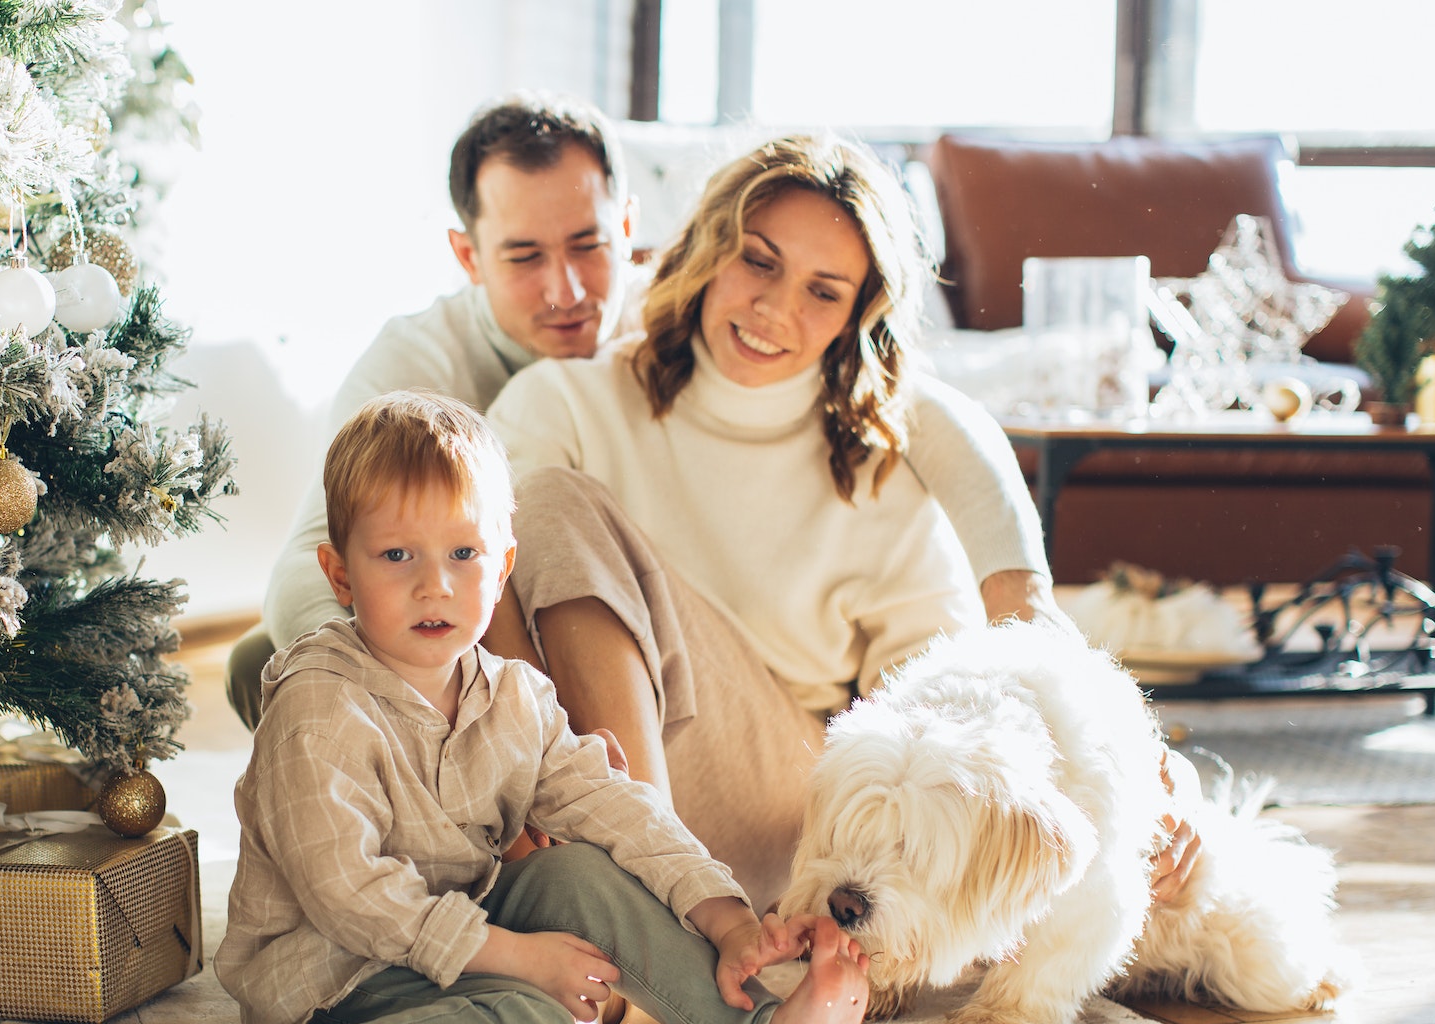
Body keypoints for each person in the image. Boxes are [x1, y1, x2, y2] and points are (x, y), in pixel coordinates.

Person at [480, 136, 1201, 1024]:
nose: (778, 309)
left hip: (789, 815)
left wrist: (1140, 787)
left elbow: (942, 712)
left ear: (859, 312)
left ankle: (654, 949)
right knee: (528, 509)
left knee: (555, 506)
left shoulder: (878, 457)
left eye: (825, 290)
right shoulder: (568, 398)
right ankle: (626, 926)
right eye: (759, 261)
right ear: (704, 250)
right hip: (588, 777)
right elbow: (471, 569)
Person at [230, 96, 1061, 730]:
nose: (567, 291)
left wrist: (1031, 620)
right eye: (523, 257)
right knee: (264, 661)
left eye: (589, 246)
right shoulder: (421, 369)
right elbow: (314, 564)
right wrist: (426, 704)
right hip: (474, 630)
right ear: (467, 256)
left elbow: (926, 413)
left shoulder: (687, 321)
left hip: (670, 684)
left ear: (629, 231)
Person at [201, 392, 872, 1024]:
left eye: (464, 554)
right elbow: (352, 898)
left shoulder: (514, 696)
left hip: (464, 932)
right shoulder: (319, 705)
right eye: (397, 556)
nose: (436, 586)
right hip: (336, 977)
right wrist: (517, 958)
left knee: (582, 871)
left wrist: (725, 915)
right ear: (339, 574)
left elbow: (617, 806)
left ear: (503, 565)